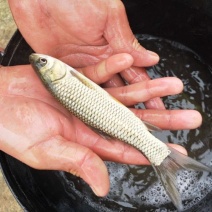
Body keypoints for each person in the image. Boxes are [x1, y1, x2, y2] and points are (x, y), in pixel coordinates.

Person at [1, 0, 201, 196]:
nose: (43, 59)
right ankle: (162, 158)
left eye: (42, 62)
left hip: (112, 119)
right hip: (116, 119)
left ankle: (163, 158)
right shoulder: (64, 77)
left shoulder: (62, 79)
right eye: (44, 63)